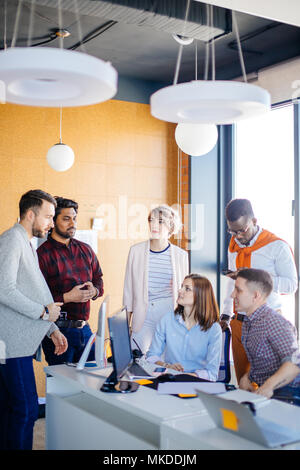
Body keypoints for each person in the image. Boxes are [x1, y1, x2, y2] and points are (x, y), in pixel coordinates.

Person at [0, 189, 68, 450]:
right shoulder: (12, 240)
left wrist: (51, 328)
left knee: (11, 410)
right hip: (12, 345)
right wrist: (42, 313)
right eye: (49, 217)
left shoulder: (25, 242)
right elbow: (4, 289)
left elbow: (34, 290)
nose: (51, 224)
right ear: (30, 214)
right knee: (26, 410)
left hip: (17, 344)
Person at [220, 198, 298, 384]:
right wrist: (225, 314)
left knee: (266, 385)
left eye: (241, 230)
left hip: (266, 321)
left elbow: (291, 285)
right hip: (239, 322)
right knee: (243, 383)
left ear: (254, 221)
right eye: (232, 231)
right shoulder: (234, 246)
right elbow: (233, 284)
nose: (237, 236)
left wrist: (258, 278)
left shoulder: (276, 246)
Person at [37, 197, 104, 365]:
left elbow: (98, 280)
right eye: (66, 219)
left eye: (74, 218)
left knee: (92, 381)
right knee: (61, 387)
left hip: (85, 329)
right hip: (57, 332)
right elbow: (36, 297)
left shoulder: (85, 249)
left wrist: (94, 291)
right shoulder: (41, 254)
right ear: (53, 221)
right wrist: (67, 297)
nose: (72, 223)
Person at [123, 204, 189, 354]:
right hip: (143, 314)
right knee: (136, 357)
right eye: (151, 220)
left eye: (160, 221)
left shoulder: (181, 256)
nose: (154, 225)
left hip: (169, 313)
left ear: (171, 228)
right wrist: (125, 325)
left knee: (166, 362)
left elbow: (185, 293)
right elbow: (128, 291)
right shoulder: (136, 251)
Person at [231, 268, 300, 402]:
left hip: (290, 395)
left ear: (256, 296)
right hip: (272, 392)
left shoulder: (274, 322)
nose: (232, 295)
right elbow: (263, 359)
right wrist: (247, 377)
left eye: (238, 290)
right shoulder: (248, 322)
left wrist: (268, 386)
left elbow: (294, 364)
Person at [146, 274, 222, 380]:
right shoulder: (167, 319)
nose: (180, 291)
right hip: (171, 380)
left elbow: (211, 374)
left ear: (200, 295)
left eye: (187, 289)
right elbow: (151, 356)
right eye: (182, 286)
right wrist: (167, 366)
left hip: (197, 384)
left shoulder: (214, 329)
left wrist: (183, 377)